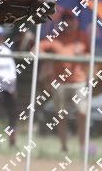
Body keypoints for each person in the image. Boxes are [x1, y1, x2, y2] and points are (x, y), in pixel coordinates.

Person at [38, 10, 89, 153]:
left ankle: (83, 147)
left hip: (78, 82)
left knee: (82, 112)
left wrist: (83, 54)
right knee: (61, 115)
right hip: (60, 83)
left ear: (75, 21)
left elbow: (91, 55)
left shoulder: (82, 37)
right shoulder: (55, 37)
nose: (68, 22)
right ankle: (64, 146)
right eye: (65, 19)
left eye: (70, 19)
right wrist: (41, 53)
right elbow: (39, 47)